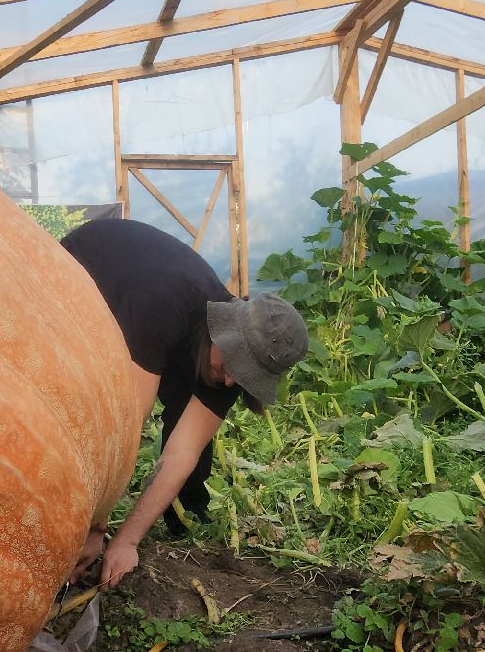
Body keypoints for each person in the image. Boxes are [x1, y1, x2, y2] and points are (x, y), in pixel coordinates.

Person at [61, 218, 308, 589]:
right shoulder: (164, 300)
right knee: (87, 409)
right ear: (223, 331)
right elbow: (126, 425)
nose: (228, 382)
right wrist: (96, 526)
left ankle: (186, 516)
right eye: (232, 365)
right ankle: (61, 511)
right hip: (79, 281)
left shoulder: (227, 363)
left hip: (162, 317)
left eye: (242, 377)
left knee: (190, 432)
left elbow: (184, 450)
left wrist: (127, 540)